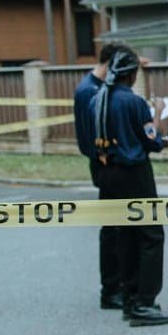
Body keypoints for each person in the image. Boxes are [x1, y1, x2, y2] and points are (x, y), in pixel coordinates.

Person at [90, 48, 168, 327]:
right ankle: (144, 303)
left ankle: (128, 297)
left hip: (108, 171)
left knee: (125, 235)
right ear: (131, 74)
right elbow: (152, 141)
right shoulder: (133, 102)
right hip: (134, 173)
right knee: (150, 237)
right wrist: (158, 114)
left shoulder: (97, 99)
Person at [73, 42, 132, 312]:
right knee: (113, 231)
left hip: (110, 164)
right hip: (105, 166)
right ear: (111, 64)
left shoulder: (100, 87)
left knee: (118, 229)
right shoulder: (89, 91)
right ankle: (111, 290)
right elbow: (89, 139)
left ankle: (117, 286)